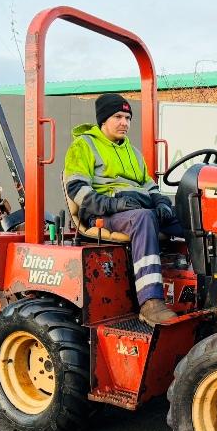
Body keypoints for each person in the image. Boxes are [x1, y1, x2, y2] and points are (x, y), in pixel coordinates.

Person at [63, 93, 181, 326]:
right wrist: (112, 205)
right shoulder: (84, 145)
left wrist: (162, 203)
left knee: (192, 216)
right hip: (103, 214)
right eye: (118, 116)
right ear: (103, 120)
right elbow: (76, 188)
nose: (124, 123)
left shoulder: (132, 152)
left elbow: (148, 185)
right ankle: (150, 302)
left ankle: (215, 284)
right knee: (144, 218)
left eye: (128, 117)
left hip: (135, 207)